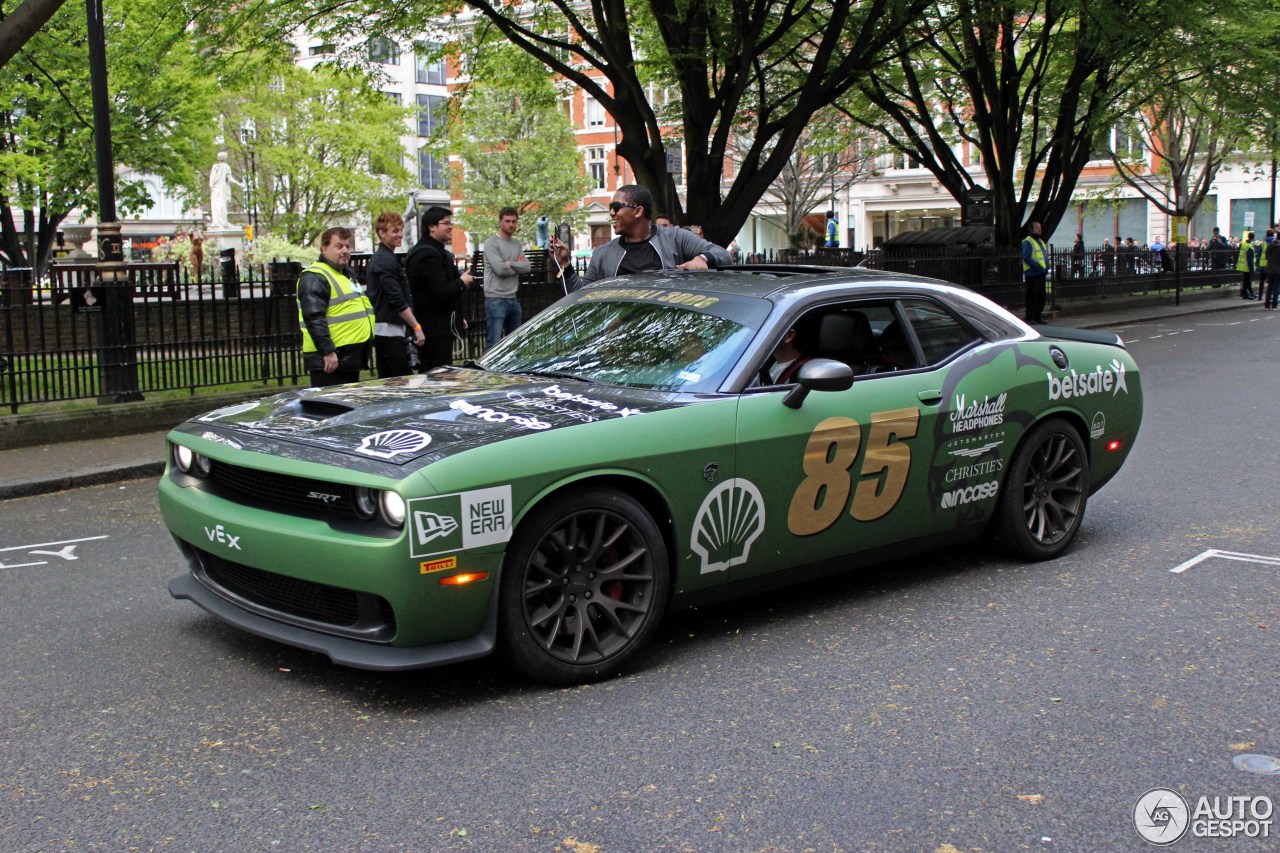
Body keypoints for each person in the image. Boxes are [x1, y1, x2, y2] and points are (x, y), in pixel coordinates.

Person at [550, 184, 731, 290]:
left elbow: (722, 254)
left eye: (617, 206)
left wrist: (702, 258)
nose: (611, 212)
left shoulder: (675, 238)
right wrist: (565, 265)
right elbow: (582, 295)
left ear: (638, 211)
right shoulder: (603, 254)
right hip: (620, 341)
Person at [297, 226, 374, 387]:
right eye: (339, 246)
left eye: (347, 246)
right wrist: (327, 351)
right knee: (331, 408)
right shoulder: (315, 276)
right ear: (324, 249)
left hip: (347, 357)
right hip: (331, 359)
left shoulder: (345, 273)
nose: (345, 250)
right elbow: (314, 317)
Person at [406, 206, 474, 370]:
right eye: (446, 223)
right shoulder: (427, 254)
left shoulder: (437, 251)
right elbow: (441, 291)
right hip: (434, 330)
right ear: (432, 227)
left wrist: (458, 316)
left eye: (451, 223)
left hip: (441, 328)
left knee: (442, 375)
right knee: (437, 377)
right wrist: (462, 282)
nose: (450, 227)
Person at [365, 211, 425, 378]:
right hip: (388, 330)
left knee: (390, 380)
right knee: (401, 380)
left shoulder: (385, 258)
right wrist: (416, 327)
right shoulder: (384, 260)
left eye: (400, 230)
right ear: (381, 233)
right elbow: (396, 298)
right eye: (394, 231)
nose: (399, 234)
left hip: (388, 329)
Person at [481, 207, 531, 349]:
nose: (511, 224)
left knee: (515, 344)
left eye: (514, 221)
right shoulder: (491, 243)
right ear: (500, 222)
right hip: (495, 297)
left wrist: (511, 263)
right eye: (507, 221)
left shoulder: (516, 244)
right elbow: (500, 269)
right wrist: (517, 266)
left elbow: (527, 267)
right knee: (494, 344)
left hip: (512, 297)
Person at [1021, 220, 1049, 325]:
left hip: (1041, 273)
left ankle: (1037, 317)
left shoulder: (1040, 241)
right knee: (1032, 296)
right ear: (1031, 230)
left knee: (1041, 297)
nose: (1040, 230)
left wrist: (1046, 267)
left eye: (1040, 228)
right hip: (1032, 274)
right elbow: (1026, 257)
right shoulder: (1028, 241)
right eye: (1037, 228)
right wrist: (1038, 267)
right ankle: (1030, 318)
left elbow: (1043, 256)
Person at [208, 152, 243, 229]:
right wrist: (239, 184)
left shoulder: (214, 167)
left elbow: (211, 181)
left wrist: (213, 187)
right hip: (222, 189)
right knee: (222, 205)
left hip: (215, 190)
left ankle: (217, 222)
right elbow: (229, 179)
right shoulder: (225, 167)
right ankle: (223, 222)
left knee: (216, 206)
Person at [1236, 231, 1257, 299]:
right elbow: (1250, 259)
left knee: (1246, 281)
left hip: (1243, 266)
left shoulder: (1244, 244)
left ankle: (1248, 293)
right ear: (1253, 238)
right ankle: (1247, 294)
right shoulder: (1249, 246)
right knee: (1247, 281)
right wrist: (1252, 269)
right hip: (1247, 266)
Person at [1266, 235, 1280, 310]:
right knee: (1276, 288)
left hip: (1270, 269)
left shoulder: (1269, 247)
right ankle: (1274, 305)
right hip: (1278, 270)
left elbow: (1266, 257)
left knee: (1269, 288)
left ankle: (1267, 305)